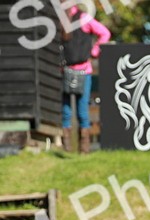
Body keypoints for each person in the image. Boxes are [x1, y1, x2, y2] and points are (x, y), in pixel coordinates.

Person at [61, 6, 110, 154]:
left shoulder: (83, 18)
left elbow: (104, 33)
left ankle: (84, 148)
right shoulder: (59, 19)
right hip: (64, 71)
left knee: (83, 111)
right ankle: (66, 147)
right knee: (66, 111)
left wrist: (94, 51)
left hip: (84, 71)